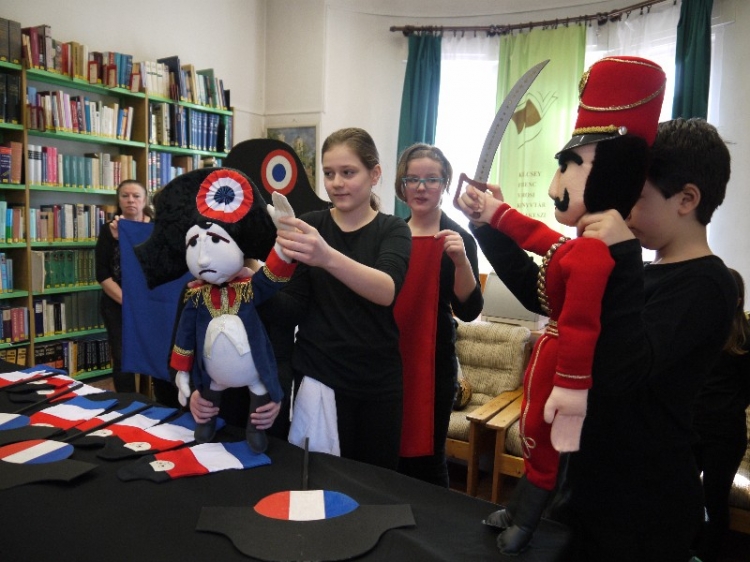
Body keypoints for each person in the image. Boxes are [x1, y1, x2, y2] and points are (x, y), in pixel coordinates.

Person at [457, 55, 665, 555]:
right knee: (535, 439)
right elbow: (544, 256)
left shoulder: (611, 257)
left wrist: (571, 389)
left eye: (570, 166)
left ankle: (527, 519)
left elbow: (589, 331)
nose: (555, 186)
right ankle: (520, 508)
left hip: (598, 458)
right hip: (548, 372)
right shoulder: (587, 245)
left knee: (550, 451)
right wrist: (492, 216)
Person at [274, 127, 412, 470]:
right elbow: (292, 306)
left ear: (374, 174)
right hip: (318, 377)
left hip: (376, 384)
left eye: (348, 172)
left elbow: (386, 290)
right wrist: (253, 279)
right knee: (317, 480)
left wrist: (326, 256)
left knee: (373, 485)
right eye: (329, 173)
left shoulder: (393, 229)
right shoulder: (310, 225)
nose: (336, 183)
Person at [392, 143, 483, 488]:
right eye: (412, 179)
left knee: (429, 460)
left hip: (434, 364)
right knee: (389, 454)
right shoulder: (391, 234)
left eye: (431, 179)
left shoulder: (459, 238)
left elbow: (469, 310)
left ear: (445, 184)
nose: (421, 187)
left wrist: (460, 261)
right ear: (402, 185)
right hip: (388, 359)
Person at [692, 267, 750, 562]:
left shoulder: (745, 337)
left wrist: (726, 407)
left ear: (738, 299)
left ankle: (708, 555)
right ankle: (687, 547)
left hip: (725, 434)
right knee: (683, 494)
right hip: (692, 428)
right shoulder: (699, 327)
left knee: (714, 499)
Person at [95, 179, 153, 394]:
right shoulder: (108, 231)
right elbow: (102, 273)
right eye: (125, 196)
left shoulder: (156, 228)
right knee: (122, 357)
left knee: (154, 353)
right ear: (118, 201)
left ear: (145, 200)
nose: (131, 200)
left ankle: (158, 402)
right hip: (117, 304)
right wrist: (128, 303)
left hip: (151, 304)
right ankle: (128, 405)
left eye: (136, 196)